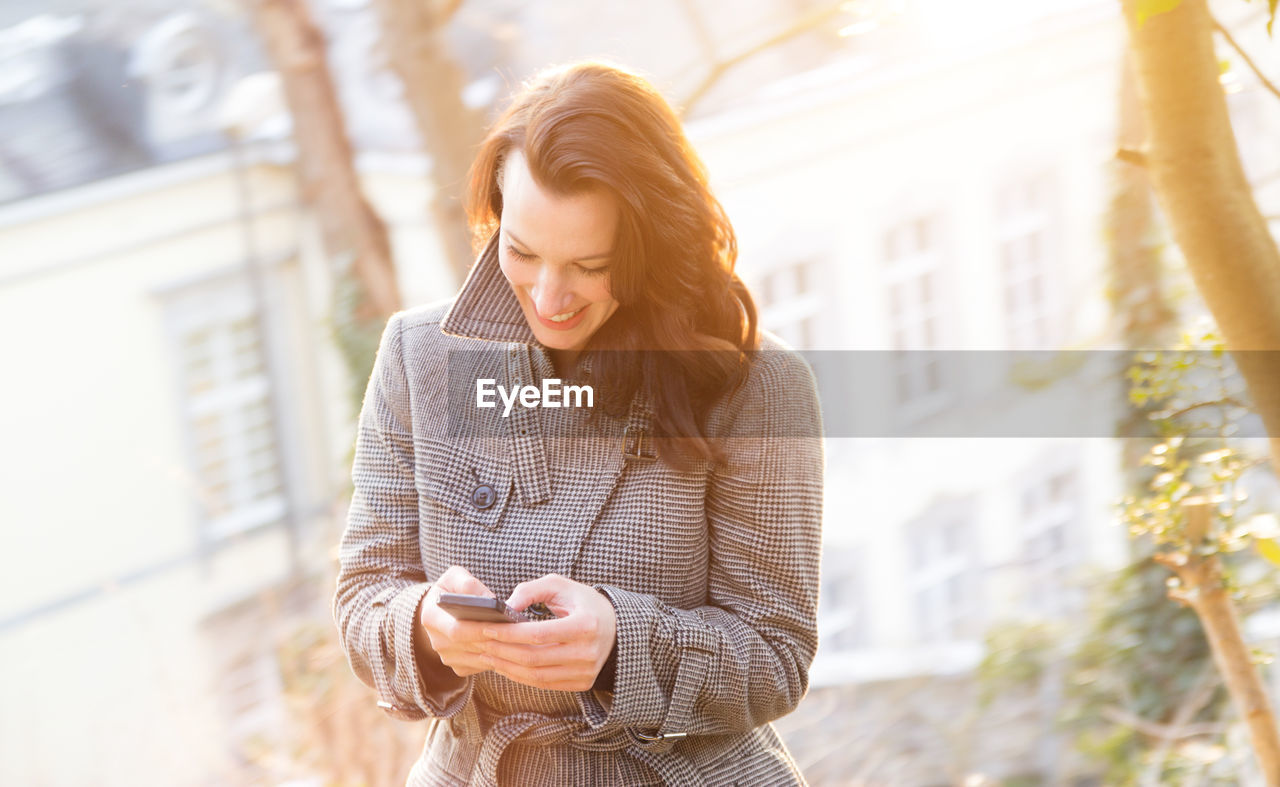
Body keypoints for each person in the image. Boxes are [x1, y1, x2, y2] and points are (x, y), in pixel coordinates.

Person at [332, 60, 825, 786]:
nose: (550, 296)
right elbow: (362, 596)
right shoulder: (419, 358)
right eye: (522, 252)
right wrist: (426, 624)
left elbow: (777, 653)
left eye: (591, 265)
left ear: (653, 247)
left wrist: (622, 644)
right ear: (497, 210)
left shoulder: (754, 386)